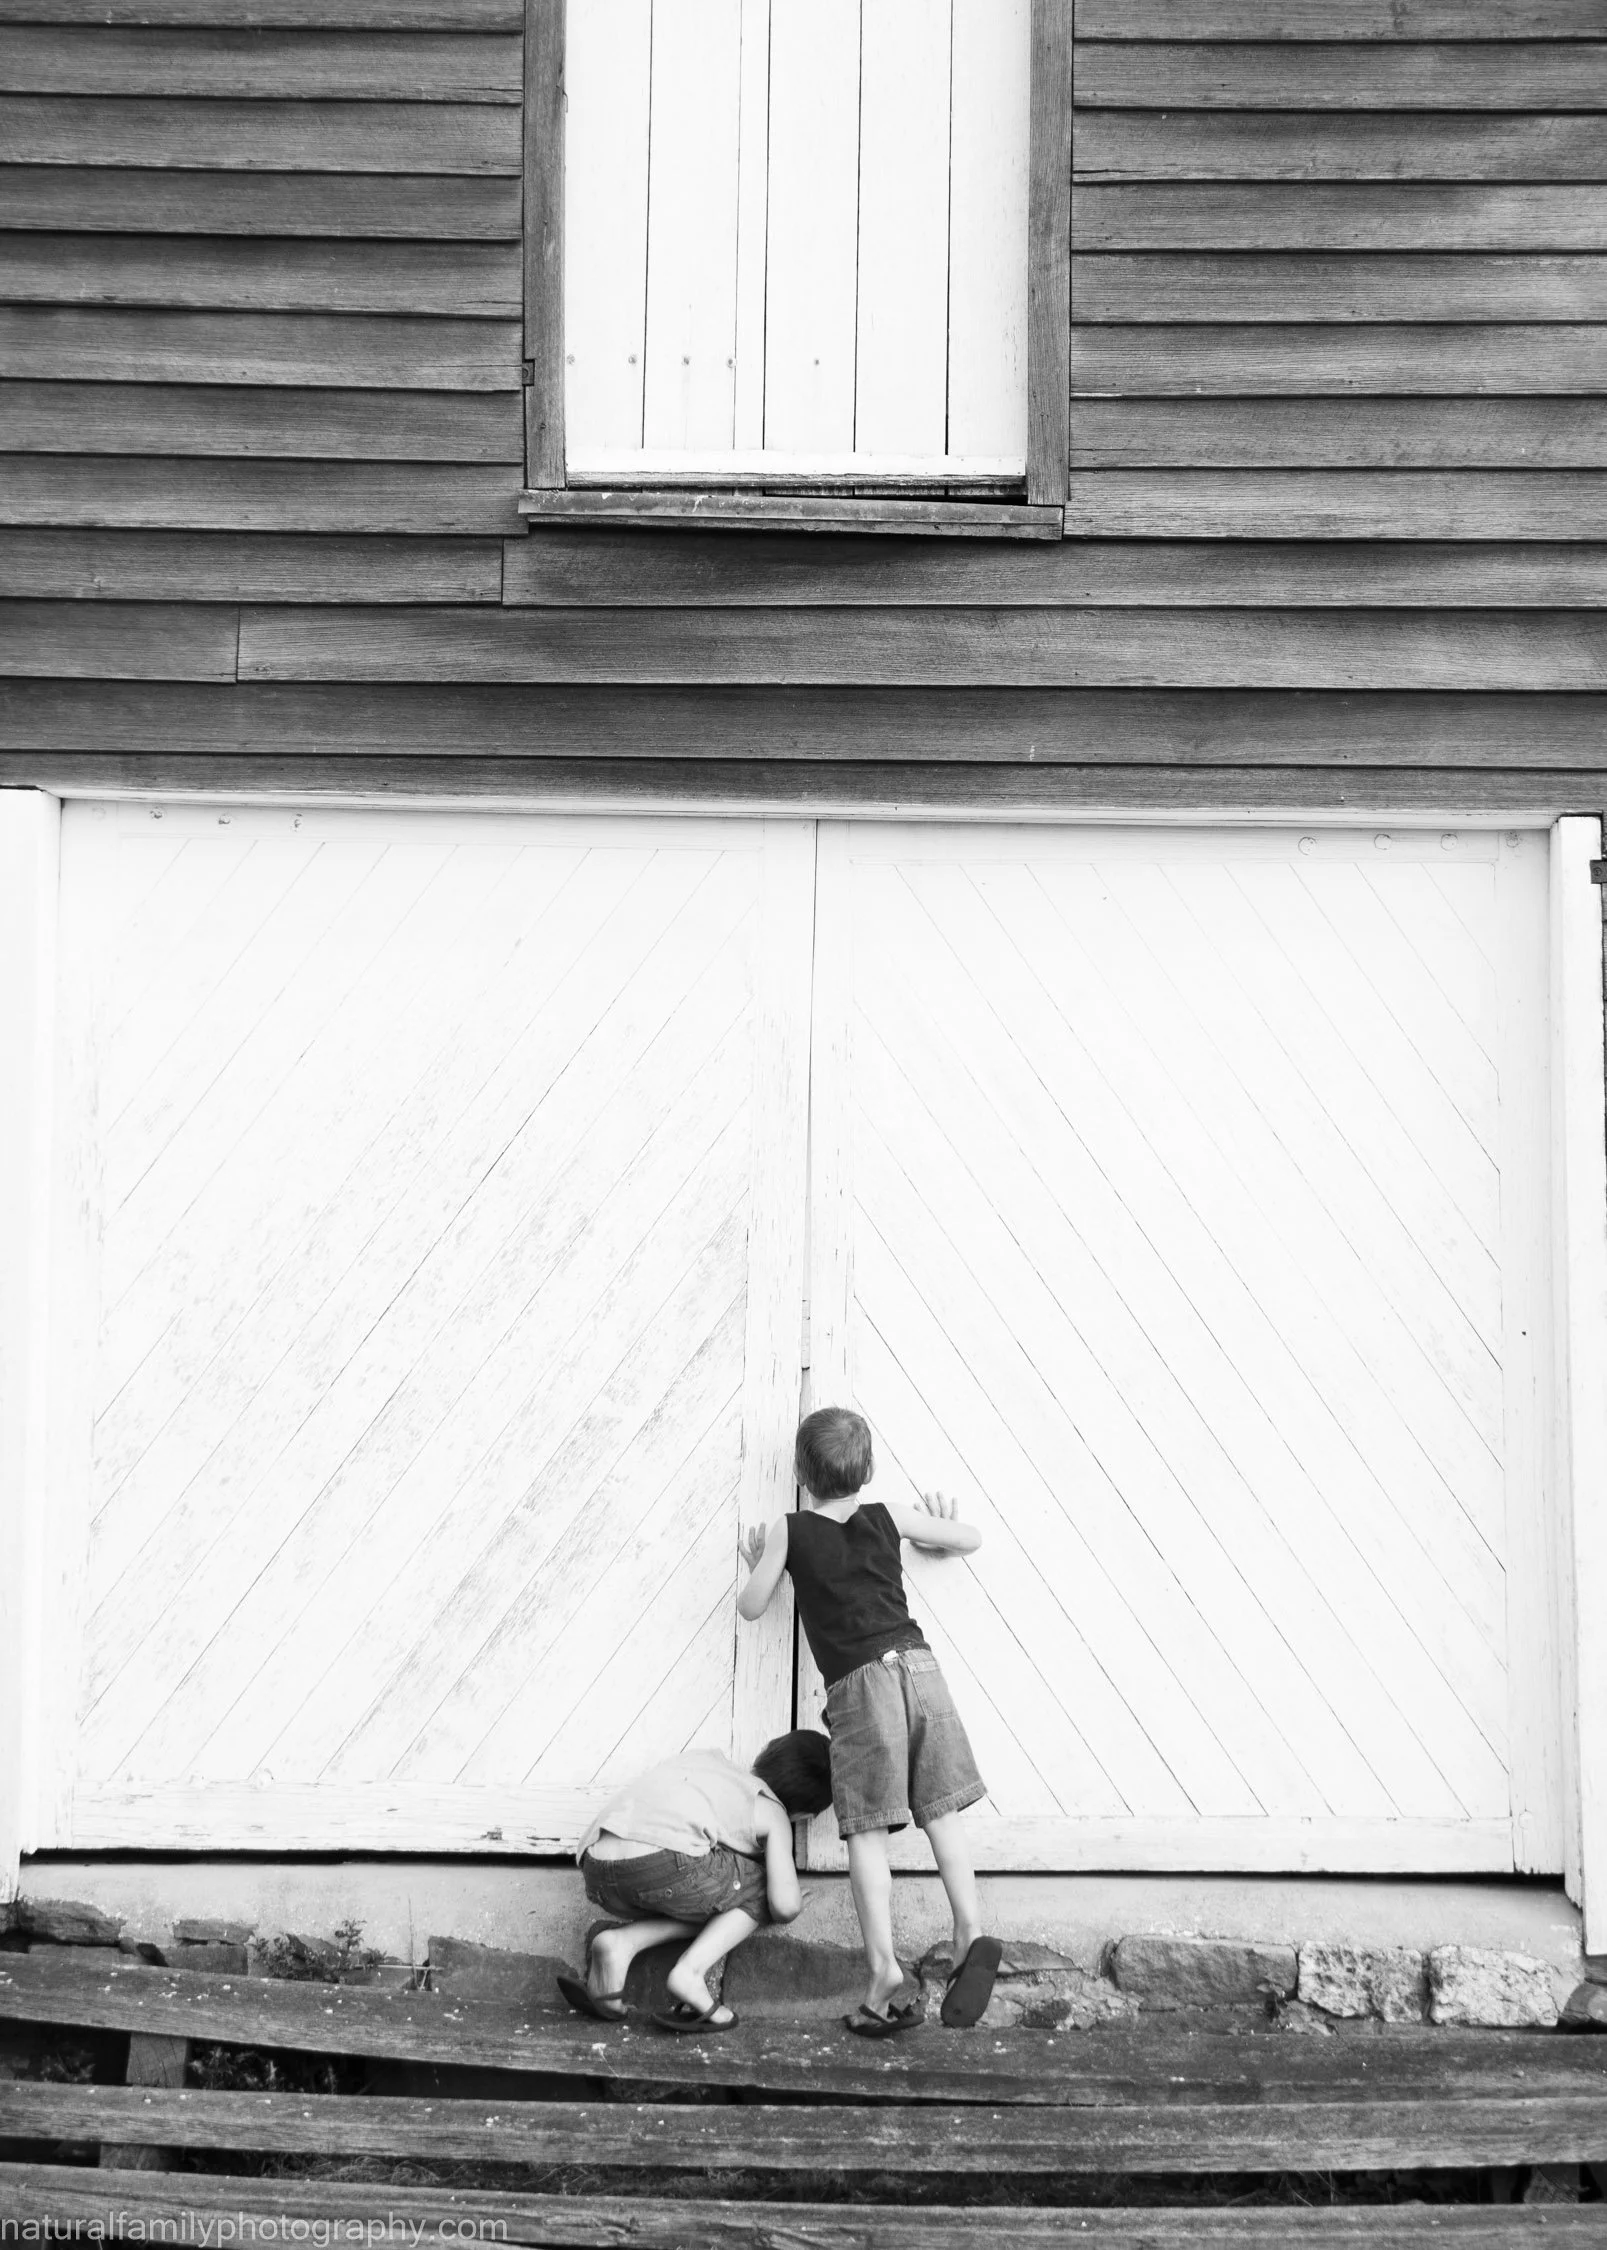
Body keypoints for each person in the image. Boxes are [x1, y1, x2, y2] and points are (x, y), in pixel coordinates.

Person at [738, 1406, 1001, 2038]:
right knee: (940, 1809)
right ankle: (969, 1928)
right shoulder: (887, 1517)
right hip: (919, 1667)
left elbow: (752, 1609)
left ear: (801, 1472)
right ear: (870, 1469)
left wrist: (759, 1566)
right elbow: (971, 1538)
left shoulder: (791, 1528)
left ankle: (884, 1971)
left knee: (865, 1833)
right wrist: (936, 1532)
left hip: (861, 1685)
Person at [558, 1728, 831, 2033]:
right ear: (804, 1814)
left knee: (718, 1895)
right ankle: (690, 1972)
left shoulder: (706, 1761)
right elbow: (783, 1906)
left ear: (764, 1753)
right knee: (761, 1888)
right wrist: (792, 1900)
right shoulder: (771, 1808)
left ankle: (621, 1944)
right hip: (663, 1865)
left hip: (596, 1865)